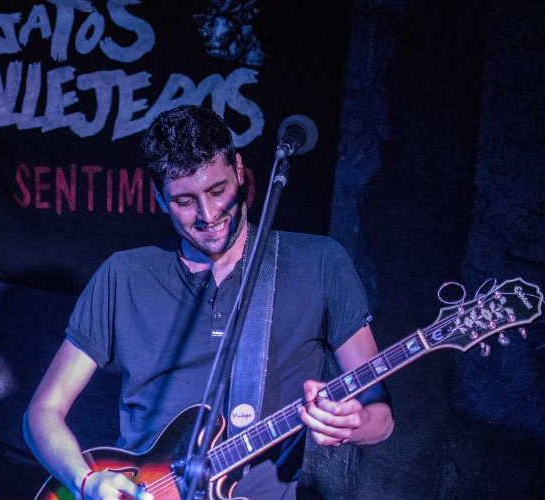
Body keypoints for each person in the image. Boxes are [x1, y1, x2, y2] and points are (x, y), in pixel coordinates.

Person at [24, 106, 394, 500]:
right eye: (184, 200)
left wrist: (354, 422)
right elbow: (42, 412)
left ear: (239, 169)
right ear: (159, 198)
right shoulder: (124, 275)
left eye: (217, 191)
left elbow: (381, 415)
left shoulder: (320, 264)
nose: (208, 214)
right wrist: (86, 481)